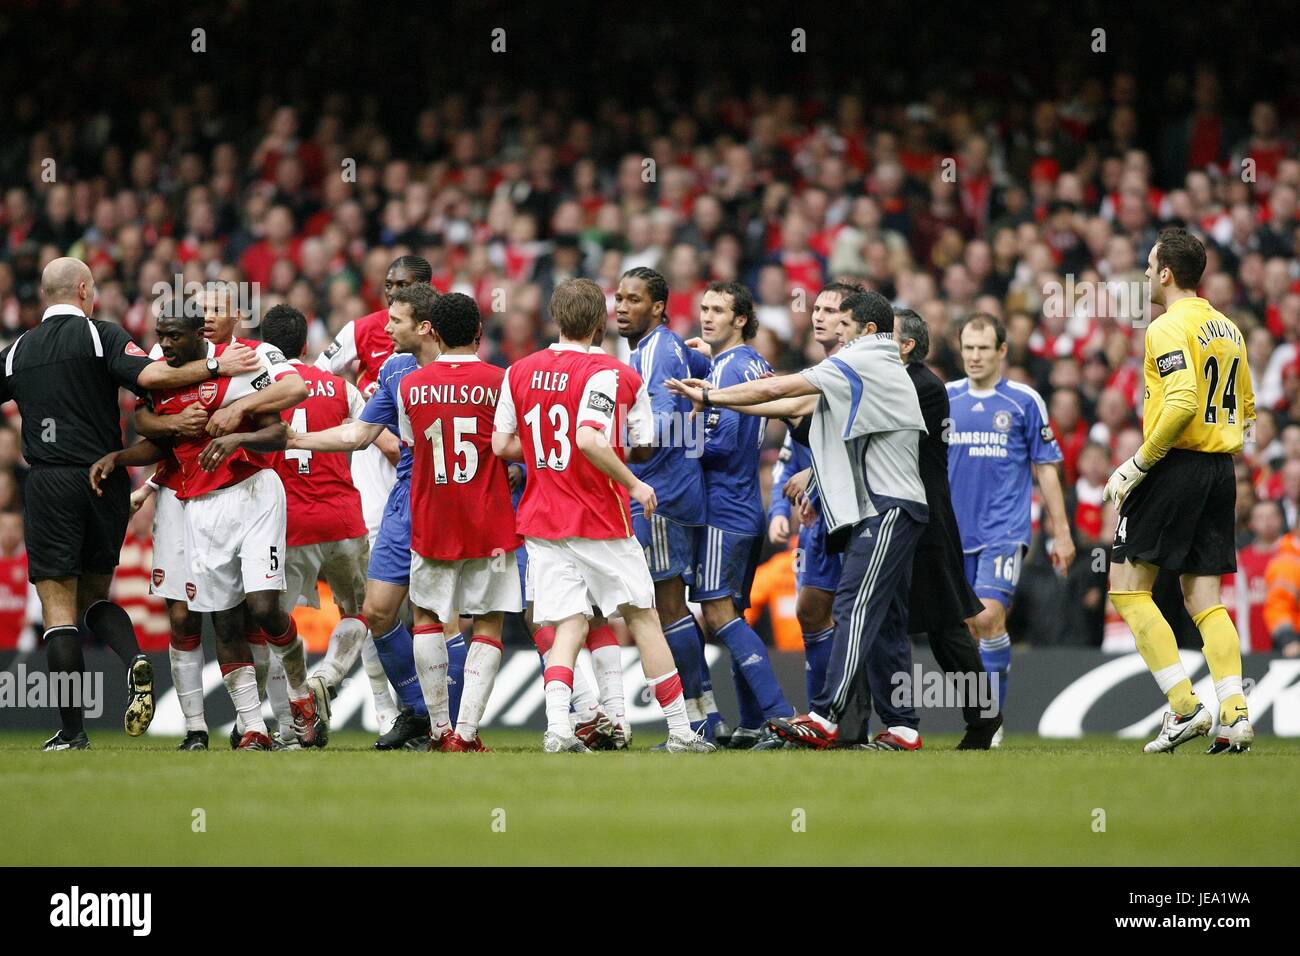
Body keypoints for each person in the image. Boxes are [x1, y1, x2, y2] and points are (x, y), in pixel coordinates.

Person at [0, 257, 260, 750]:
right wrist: (214, 365)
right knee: (95, 596)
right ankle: (136, 657)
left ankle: (73, 732)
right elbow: (150, 376)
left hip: (50, 484)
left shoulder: (18, 352)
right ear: (82, 290)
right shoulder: (103, 336)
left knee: (59, 610)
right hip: (106, 477)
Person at [669, 291, 930, 750]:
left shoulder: (865, 359)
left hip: (886, 506)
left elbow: (779, 390)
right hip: (888, 507)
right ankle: (902, 726)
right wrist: (721, 400)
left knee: (851, 606)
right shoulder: (865, 370)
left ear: (867, 331)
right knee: (885, 619)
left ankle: (827, 718)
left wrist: (711, 394)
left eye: (843, 324)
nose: (833, 332)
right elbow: (787, 407)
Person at [492, 277, 714, 753]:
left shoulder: (518, 371)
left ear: (555, 316)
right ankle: (680, 731)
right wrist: (633, 481)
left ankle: (557, 729)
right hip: (599, 518)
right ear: (600, 321)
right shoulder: (617, 375)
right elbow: (611, 441)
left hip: (542, 519)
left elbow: (500, 446)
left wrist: (545, 460)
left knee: (568, 624)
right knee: (643, 617)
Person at [91, 308, 312, 751]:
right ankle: (252, 727)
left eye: (174, 337)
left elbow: (278, 431)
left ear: (200, 335)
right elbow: (148, 427)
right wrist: (120, 458)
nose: (165, 346)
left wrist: (236, 433)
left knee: (265, 608)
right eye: (161, 338)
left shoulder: (241, 366)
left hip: (253, 494)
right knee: (224, 620)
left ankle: (300, 696)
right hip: (197, 506)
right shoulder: (160, 377)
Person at [288, 283, 467, 749]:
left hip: (450, 503)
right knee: (377, 611)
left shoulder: (467, 373)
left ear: (424, 328)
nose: (384, 328)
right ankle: (417, 712)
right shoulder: (394, 369)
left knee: (441, 618)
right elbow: (361, 433)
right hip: (404, 500)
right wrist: (297, 441)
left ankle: (452, 725)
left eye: (395, 321)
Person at [1105, 227, 1257, 754]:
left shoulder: (1167, 327)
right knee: (1204, 597)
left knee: (1127, 586)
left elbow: (1183, 402)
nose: (1147, 274)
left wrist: (1137, 464)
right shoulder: (1229, 330)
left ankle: (1185, 707)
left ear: (1166, 273)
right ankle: (1235, 713)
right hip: (1220, 469)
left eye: (1150, 266)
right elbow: (1249, 410)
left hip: (1176, 465)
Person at [261, 304, 399, 746]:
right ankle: (330, 675)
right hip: (343, 520)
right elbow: (375, 438)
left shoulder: (258, 391)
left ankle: (291, 723)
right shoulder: (341, 387)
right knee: (360, 612)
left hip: (287, 523)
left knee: (274, 624)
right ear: (306, 345)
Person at [395, 292, 522, 751]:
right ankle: (465, 734)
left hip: (433, 517)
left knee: (427, 616)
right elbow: (510, 444)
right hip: (488, 520)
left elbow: (413, 448)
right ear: (477, 334)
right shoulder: (501, 380)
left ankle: (438, 729)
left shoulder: (410, 385)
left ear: (434, 332)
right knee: (487, 622)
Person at [946, 312, 1075, 732]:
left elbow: (1048, 469)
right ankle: (985, 712)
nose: (975, 356)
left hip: (1004, 530)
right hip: (953, 534)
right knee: (970, 627)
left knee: (987, 617)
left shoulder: (1023, 401)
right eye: (968, 348)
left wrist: (1062, 533)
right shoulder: (943, 399)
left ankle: (990, 721)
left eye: (984, 348)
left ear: (1002, 350)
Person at [688, 280, 795, 746]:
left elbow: (723, 440)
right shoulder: (752, 363)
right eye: (704, 308)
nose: (707, 316)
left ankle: (780, 714)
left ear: (741, 319)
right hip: (747, 503)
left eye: (718, 310)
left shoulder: (729, 369)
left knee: (716, 614)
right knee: (732, 613)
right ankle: (753, 723)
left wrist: (675, 442)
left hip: (723, 508)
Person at [615, 266, 717, 736]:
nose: (621, 306)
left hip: (660, 493)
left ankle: (701, 719)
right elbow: (697, 377)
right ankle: (705, 714)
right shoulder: (667, 347)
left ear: (658, 308)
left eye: (633, 299)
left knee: (668, 607)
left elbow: (651, 435)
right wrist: (704, 356)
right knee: (666, 605)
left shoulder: (655, 352)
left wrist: (603, 443)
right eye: (618, 297)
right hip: (677, 487)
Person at [894, 308, 1001, 749]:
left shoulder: (923, 387)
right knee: (919, 624)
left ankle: (982, 718)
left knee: (945, 627)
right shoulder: (909, 383)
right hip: (904, 513)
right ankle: (873, 719)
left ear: (908, 346)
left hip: (927, 520)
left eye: (886, 336)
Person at [764, 283, 857, 725]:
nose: (818, 316)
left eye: (831, 310)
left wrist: (815, 480)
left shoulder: (857, 376)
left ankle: (856, 718)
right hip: (816, 521)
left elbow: (858, 451)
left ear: (853, 322)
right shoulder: (812, 377)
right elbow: (788, 458)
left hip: (857, 515)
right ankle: (823, 715)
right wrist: (780, 511)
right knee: (811, 611)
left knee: (855, 616)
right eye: (815, 308)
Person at [315, 255, 430, 543]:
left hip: (423, 449)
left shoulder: (439, 333)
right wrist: (357, 409)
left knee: (424, 536)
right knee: (374, 534)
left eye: (402, 284)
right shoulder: (362, 328)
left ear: (424, 288)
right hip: (375, 448)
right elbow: (317, 374)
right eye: (389, 284)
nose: (392, 292)